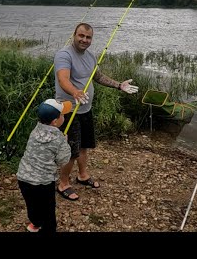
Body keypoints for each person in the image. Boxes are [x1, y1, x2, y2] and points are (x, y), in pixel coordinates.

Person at [54, 22, 139, 201]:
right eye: (81, 36)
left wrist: (119, 85)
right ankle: (63, 184)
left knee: (84, 145)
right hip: (69, 111)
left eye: (88, 37)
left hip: (85, 109)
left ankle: (82, 175)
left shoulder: (91, 56)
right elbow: (63, 79)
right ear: (74, 35)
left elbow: (97, 76)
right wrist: (75, 92)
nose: (84, 40)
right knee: (71, 150)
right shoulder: (64, 54)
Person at [17, 98, 72, 233]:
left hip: (23, 178)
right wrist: (65, 143)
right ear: (55, 121)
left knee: (32, 204)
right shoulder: (59, 138)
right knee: (48, 210)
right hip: (43, 182)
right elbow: (63, 161)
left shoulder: (35, 130)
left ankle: (35, 223)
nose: (64, 117)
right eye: (62, 115)